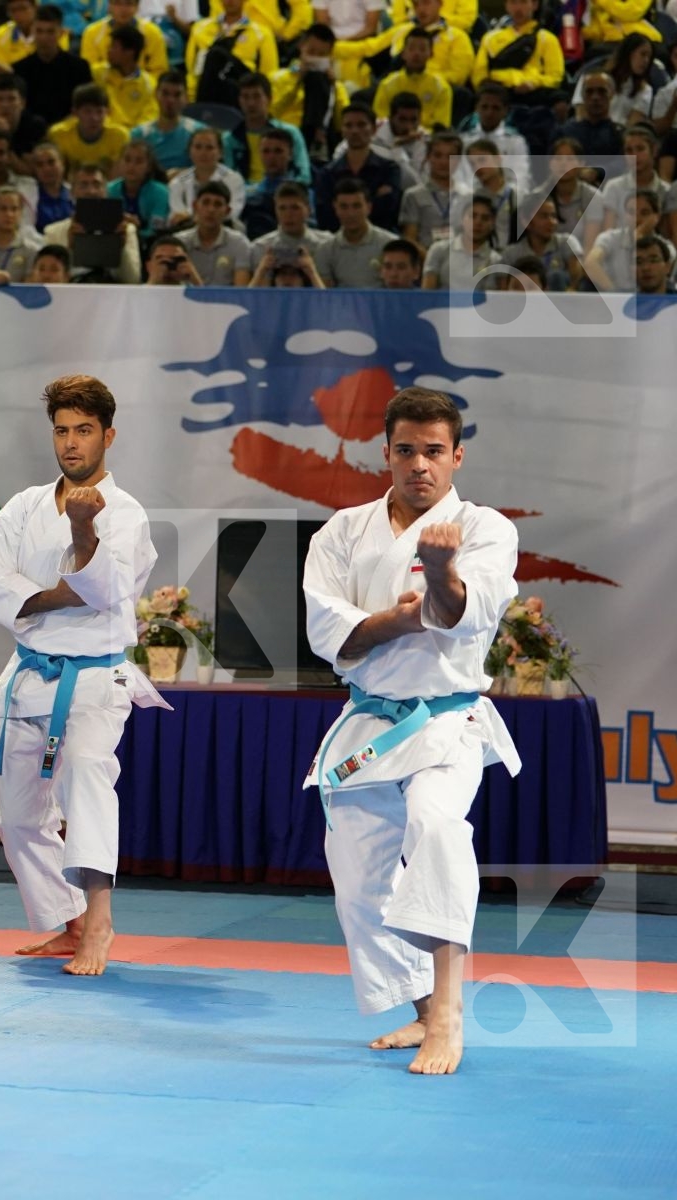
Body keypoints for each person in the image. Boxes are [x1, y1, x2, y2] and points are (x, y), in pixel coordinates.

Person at [302, 386, 520, 1077]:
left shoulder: (485, 529)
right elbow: (328, 634)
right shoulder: (342, 532)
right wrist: (399, 619)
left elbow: (459, 614)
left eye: (433, 451)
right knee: (358, 884)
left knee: (437, 829)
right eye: (406, 450)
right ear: (386, 453)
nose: (419, 464)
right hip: (369, 722)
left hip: (447, 721)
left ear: (457, 456)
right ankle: (423, 1012)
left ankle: (449, 1015)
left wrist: (443, 571)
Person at [0, 374, 168, 977]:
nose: (71, 443)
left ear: (108, 436)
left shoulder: (126, 513)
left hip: (94, 678)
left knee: (86, 777)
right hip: (29, 673)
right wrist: (61, 595)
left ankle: (99, 921)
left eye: (84, 430)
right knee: (14, 816)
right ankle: (69, 922)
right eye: (62, 431)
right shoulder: (23, 507)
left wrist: (83, 533)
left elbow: (105, 591)